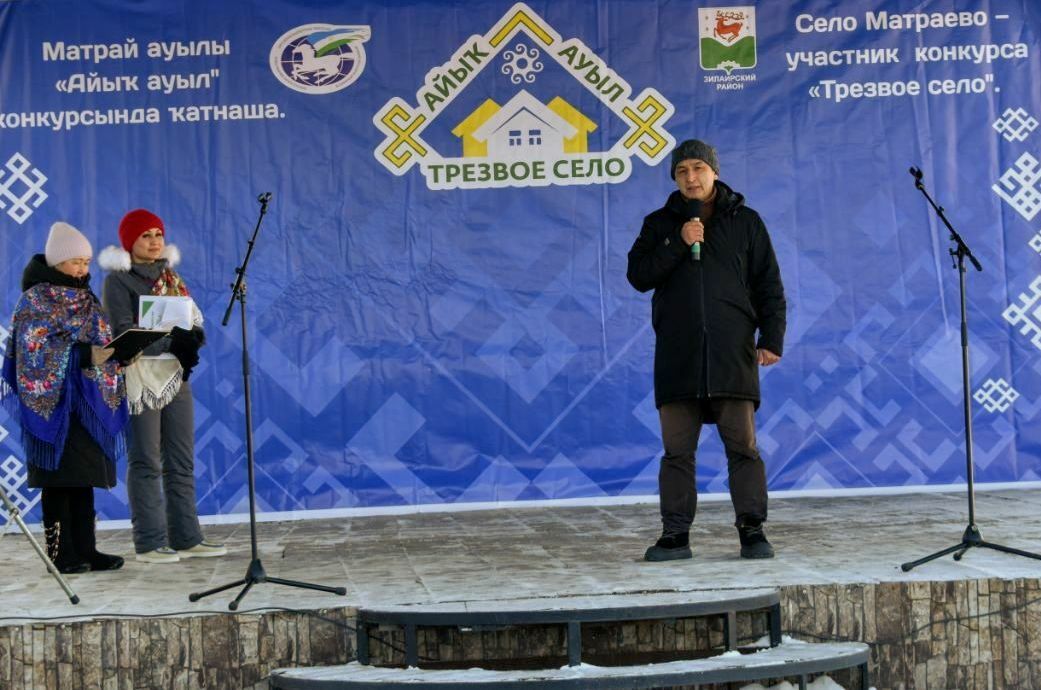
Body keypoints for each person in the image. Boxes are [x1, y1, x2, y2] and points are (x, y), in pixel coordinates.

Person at [626, 139, 786, 561]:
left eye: (698, 168)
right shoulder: (659, 223)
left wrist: (771, 338)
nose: (691, 177)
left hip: (731, 352)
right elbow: (639, 276)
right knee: (677, 452)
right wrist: (678, 241)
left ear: (714, 171)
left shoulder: (746, 221)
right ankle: (675, 536)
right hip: (678, 355)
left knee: (743, 450)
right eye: (682, 171)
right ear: (675, 178)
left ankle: (752, 531)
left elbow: (768, 284)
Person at [1, 222, 130, 573]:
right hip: (53, 406)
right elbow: (31, 351)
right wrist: (85, 355)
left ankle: (87, 549)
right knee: (58, 482)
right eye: (76, 262)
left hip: (87, 402)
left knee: (84, 478)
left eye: (87, 262)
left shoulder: (87, 298)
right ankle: (60, 555)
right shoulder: (35, 300)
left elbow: (101, 339)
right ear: (57, 261)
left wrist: (120, 353)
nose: (83, 270)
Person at [99, 208, 226, 564]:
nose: (154, 242)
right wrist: (171, 341)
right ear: (130, 242)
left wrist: (191, 339)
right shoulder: (118, 281)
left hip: (174, 377)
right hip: (140, 379)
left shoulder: (172, 277)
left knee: (181, 460)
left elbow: (192, 321)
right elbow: (122, 333)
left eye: (158, 234)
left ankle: (187, 536)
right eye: (146, 236)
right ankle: (151, 542)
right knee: (145, 461)